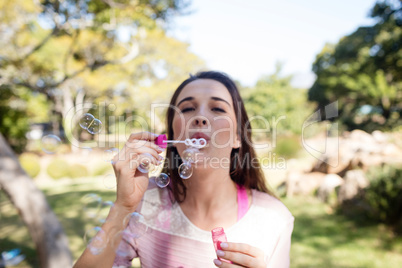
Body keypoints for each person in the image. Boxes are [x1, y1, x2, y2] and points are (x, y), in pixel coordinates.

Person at [74, 71, 294, 268]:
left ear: (238, 137)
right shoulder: (145, 202)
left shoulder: (274, 219)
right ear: (172, 134)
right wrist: (124, 206)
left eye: (217, 108)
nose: (200, 117)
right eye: (187, 108)